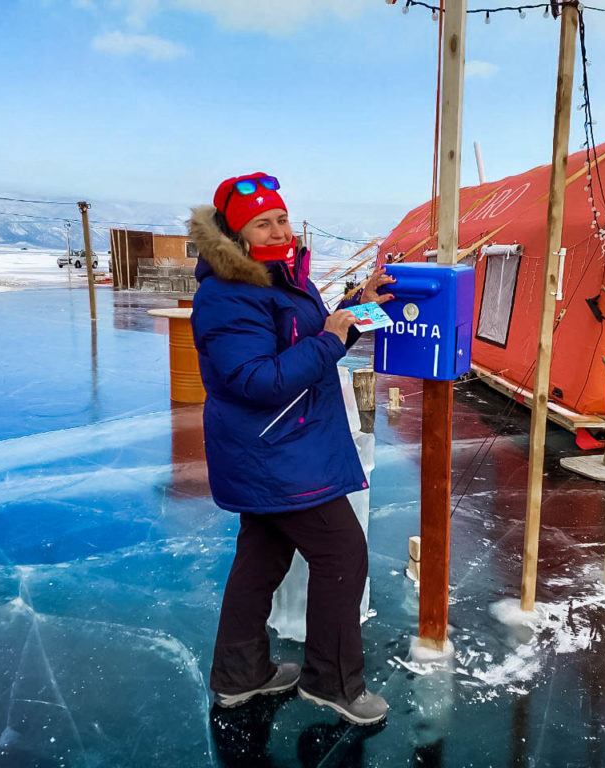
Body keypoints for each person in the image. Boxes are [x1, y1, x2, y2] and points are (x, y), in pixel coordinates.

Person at [188, 172, 395, 725]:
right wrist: (330, 340)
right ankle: (331, 682)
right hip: (278, 451)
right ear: (236, 236)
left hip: (283, 444)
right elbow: (254, 379)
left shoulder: (279, 274)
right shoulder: (228, 294)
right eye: (263, 222)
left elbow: (303, 336)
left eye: (281, 216)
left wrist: (354, 308)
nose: (279, 227)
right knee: (341, 553)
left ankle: (240, 675)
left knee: (263, 555)